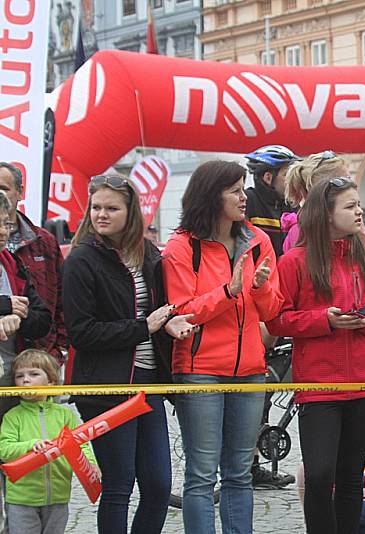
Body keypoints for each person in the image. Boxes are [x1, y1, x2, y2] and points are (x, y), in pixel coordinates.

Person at [62, 173, 192, 534]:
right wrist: (142, 327)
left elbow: (161, 308)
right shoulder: (81, 260)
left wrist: (169, 322)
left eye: (111, 208)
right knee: (119, 485)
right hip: (106, 387)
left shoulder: (148, 253)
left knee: (158, 486)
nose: (101, 214)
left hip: (149, 383)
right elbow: (81, 331)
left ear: (131, 211)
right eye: (96, 207)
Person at [266, 177, 365, 534]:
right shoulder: (294, 262)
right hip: (319, 385)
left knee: (352, 476)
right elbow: (277, 319)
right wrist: (324, 319)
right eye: (350, 206)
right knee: (320, 475)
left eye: (358, 204)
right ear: (325, 214)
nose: (359, 211)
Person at [162, 160, 284, 534]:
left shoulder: (258, 240)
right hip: (199, 370)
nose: (243, 196)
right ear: (210, 195)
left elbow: (272, 310)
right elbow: (183, 311)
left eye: (243, 187)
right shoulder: (182, 246)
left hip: (249, 370)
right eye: (234, 189)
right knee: (201, 474)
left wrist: (260, 286)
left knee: (239, 472)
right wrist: (229, 291)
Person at [244, 145, 302, 488]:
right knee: (255, 382)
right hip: (258, 306)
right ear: (269, 177)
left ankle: (256, 458)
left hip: (285, 303)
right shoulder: (249, 204)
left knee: (268, 383)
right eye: (286, 174)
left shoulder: (289, 206)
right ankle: (246, 461)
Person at [0, 349, 98, 534]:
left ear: (51, 381)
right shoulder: (13, 417)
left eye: (34, 374)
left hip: (58, 496)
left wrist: (90, 464)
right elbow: (4, 449)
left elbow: (80, 444)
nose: (25, 380)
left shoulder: (65, 415)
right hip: (22, 498)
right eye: (20, 376)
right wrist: (30, 445)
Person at [0, 162, 67, 363]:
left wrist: (58, 350)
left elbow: (51, 310)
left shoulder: (41, 243)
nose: (3, 231)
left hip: (29, 367)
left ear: (20, 192)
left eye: (4, 224)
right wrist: (6, 305)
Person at [244, 144, 302, 256]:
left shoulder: (293, 205)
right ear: (268, 177)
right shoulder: (248, 200)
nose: (293, 179)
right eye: (287, 174)